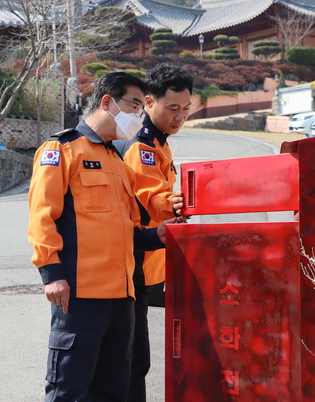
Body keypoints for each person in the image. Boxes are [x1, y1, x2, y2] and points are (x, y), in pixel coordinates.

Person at [28, 72, 184, 402]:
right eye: (134, 105)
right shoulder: (62, 149)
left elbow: (127, 230)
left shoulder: (117, 163)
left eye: (142, 109)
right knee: (70, 389)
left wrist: (157, 235)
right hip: (80, 294)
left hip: (122, 297)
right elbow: (42, 216)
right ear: (106, 102)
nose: (138, 116)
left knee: (114, 388)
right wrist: (52, 275)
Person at [116, 62, 193, 402]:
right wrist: (194, 199)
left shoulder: (161, 143)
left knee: (135, 357)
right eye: (172, 108)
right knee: (132, 359)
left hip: (148, 264)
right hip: (134, 263)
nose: (180, 116)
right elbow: (155, 198)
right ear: (149, 103)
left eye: (186, 109)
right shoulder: (143, 145)